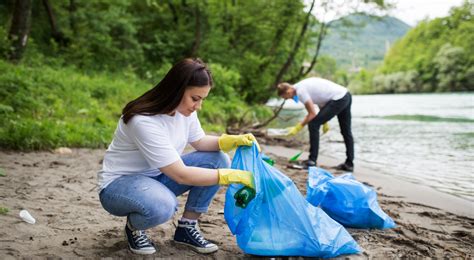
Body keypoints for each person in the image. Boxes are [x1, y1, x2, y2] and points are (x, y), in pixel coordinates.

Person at [97, 58, 258, 255]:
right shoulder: (143, 120)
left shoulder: (185, 111)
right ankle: (134, 227)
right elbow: (181, 175)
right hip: (120, 186)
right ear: (176, 90)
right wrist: (230, 176)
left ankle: (187, 227)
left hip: (158, 177)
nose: (198, 106)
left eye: (202, 99)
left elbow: (200, 142)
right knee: (164, 205)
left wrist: (233, 140)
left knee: (218, 159)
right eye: (195, 98)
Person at [277, 77, 354, 171]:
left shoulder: (300, 91)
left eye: (286, 98)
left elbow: (312, 114)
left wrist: (298, 127)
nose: (290, 99)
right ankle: (349, 164)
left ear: (288, 92)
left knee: (313, 124)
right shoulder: (301, 87)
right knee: (346, 131)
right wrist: (324, 121)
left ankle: (312, 161)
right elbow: (322, 100)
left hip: (339, 98)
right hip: (346, 95)